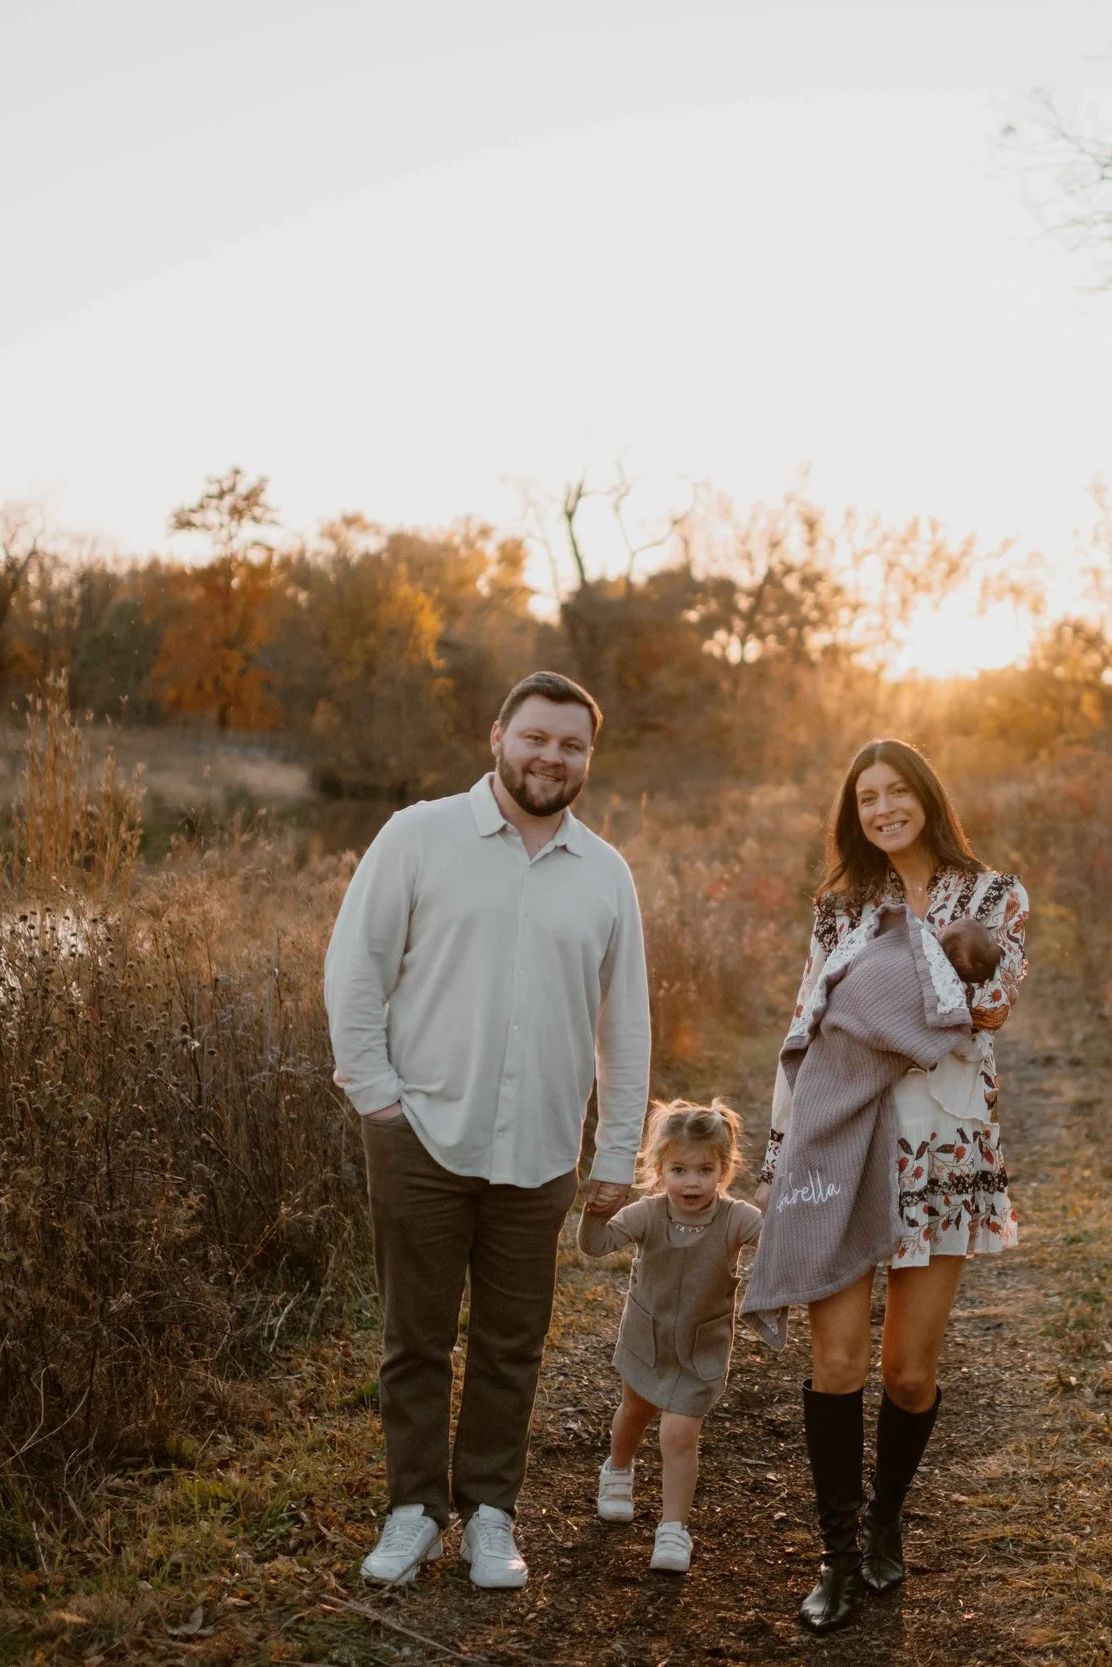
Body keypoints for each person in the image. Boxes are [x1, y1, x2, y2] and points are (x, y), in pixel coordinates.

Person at [323, 671, 650, 1591]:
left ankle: (490, 1513)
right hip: (420, 1133)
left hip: (542, 1147)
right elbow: (354, 973)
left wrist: (615, 1153)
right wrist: (378, 1099)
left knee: (513, 1341)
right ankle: (414, 1511)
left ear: (589, 757)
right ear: (498, 734)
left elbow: (625, 1028)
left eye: (572, 744)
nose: (552, 756)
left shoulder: (606, 874)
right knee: (415, 1337)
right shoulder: (419, 835)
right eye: (536, 737)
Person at [762, 737, 1029, 1632]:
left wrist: (917, 981)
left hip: (944, 1148)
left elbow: (991, 1003)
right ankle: (837, 1555)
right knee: (835, 1361)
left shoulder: (996, 894)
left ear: (926, 795)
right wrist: (781, 1149)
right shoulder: (841, 906)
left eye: (896, 791)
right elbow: (813, 1016)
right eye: (866, 797)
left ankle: (885, 1523)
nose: (883, 808)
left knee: (909, 1374)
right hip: (843, 1139)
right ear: (856, 813)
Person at [579, 1100, 762, 1575]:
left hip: (701, 1350)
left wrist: (788, 1212)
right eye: (679, 1169)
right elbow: (595, 1247)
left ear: (724, 1170)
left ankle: (673, 1529)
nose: (692, 1182)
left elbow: (780, 1245)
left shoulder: (736, 1219)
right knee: (636, 1411)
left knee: (679, 1434)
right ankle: (617, 1469)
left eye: (705, 1169)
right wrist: (596, 1212)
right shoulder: (647, 1213)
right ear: (659, 1170)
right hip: (648, 1339)